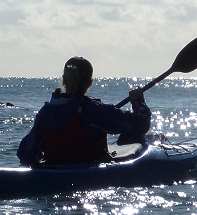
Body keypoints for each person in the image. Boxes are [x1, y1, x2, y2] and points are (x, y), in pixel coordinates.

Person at [17, 56, 151, 166]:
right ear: (89, 82)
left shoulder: (45, 112)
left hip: (54, 173)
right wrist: (138, 102)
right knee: (133, 137)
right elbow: (140, 125)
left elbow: (25, 154)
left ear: (64, 79)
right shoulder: (93, 110)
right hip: (88, 175)